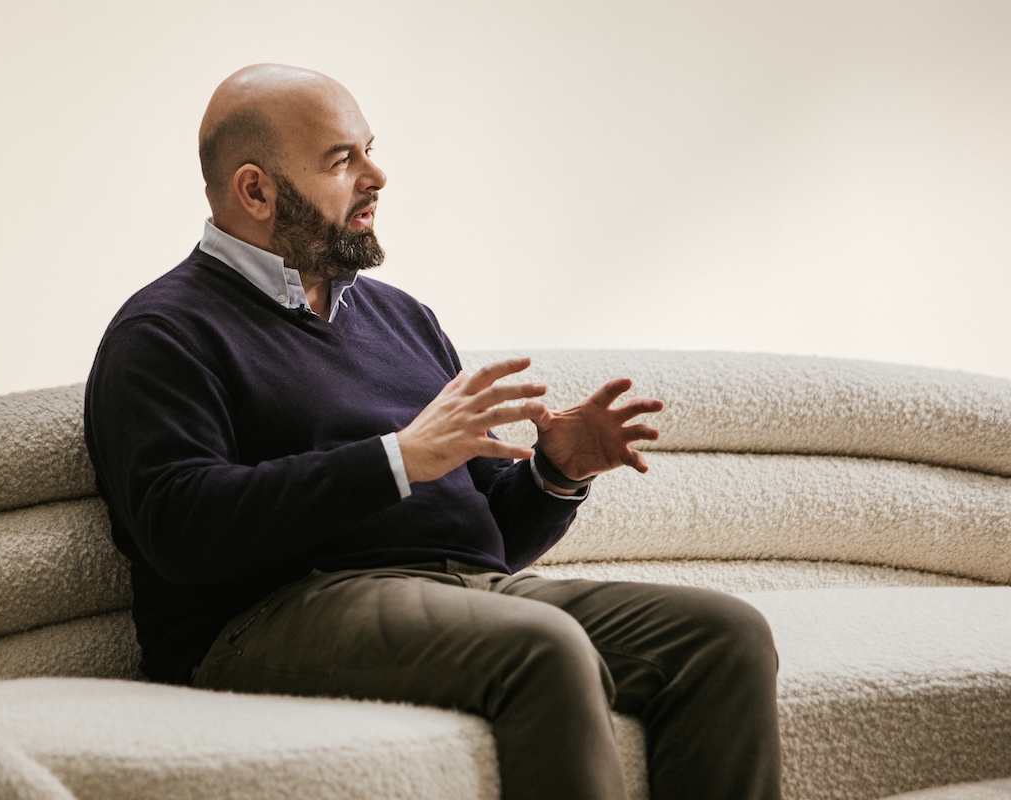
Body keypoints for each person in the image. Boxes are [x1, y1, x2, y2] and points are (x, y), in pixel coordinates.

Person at [84, 63, 782, 800]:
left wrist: (554, 475)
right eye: (341, 159)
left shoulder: (400, 318)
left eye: (369, 149)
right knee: (543, 649)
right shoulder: (163, 332)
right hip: (267, 615)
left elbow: (482, 539)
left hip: (462, 592)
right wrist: (393, 461)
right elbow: (180, 527)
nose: (376, 175)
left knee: (722, 635)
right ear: (254, 190)